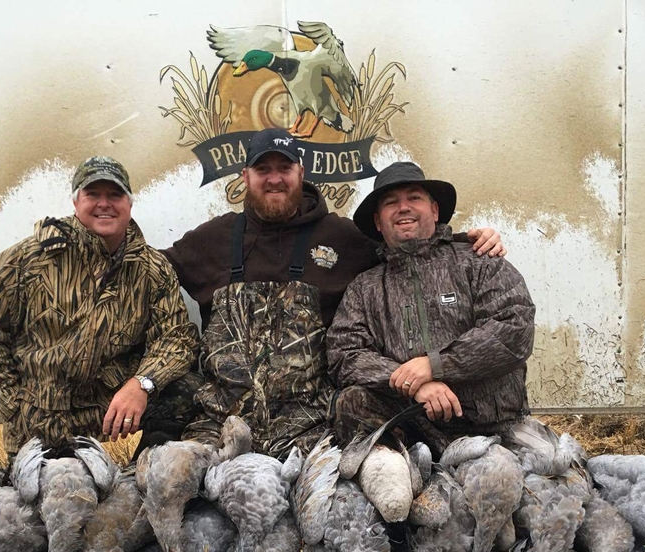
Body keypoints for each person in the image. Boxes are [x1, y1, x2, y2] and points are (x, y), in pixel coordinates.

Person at [162, 128, 504, 455]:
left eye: (285, 167)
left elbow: (408, 249)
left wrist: (466, 241)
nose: (275, 178)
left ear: (302, 171)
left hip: (312, 425)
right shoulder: (213, 238)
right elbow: (152, 272)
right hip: (223, 424)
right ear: (244, 176)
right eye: (263, 169)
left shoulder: (344, 236)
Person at [0, 157, 200, 455]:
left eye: (114, 195)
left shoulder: (151, 268)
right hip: (42, 419)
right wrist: (15, 406)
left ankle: (144, 479)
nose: (105, 204)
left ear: (129, 203)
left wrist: (142, 384)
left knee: (189, 392)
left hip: (109, 411)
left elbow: (176, 338)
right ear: (76, 202)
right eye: (93, 194)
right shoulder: (29, 259)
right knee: (47, 497)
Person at [326, 161, 536, 456]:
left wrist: (434, 366)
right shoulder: (365, 287)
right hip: (411, 430)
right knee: (352, 401)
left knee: (496, 486)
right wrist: (413, 383)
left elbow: (514, 330)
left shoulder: (479, 261)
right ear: (377, 221)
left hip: (492, 429)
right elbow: (344, 356)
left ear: (434, 210)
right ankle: (397, 472)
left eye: (414, 198)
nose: (403, 208)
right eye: (391, 203)